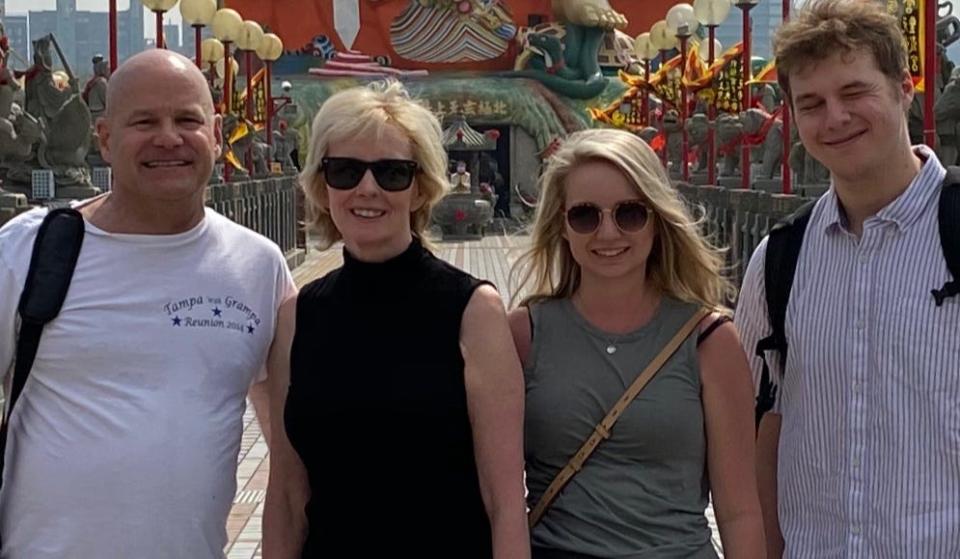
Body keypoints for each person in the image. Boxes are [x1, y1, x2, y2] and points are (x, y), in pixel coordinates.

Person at [0, 50, 296, 557]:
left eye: (187, 119)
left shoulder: (258, 267)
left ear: (217, 132)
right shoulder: (29, 249)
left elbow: (294, 455)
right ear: (106, 139)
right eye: (144, 122)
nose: (168, 138)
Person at [262, 80, 529, 558]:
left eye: (391, 173)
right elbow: (286, 493)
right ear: (322, 187)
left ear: (421, 187)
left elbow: (504, 500)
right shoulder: (297, 316)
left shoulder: (472, 311)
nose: (368, 188)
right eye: (345, 171)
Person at [735, 1, 960, 557]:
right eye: (811, 103)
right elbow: (757, 423)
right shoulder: (778, 262)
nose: (834, 118)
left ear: (905, 88)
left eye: (855, 93)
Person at [509, 128, 764, 558]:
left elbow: (739, 511)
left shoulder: (709, 340)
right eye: (585, 216)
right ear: (562, 226)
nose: (608, 233)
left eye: (629, 213)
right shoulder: (524, 334)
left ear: (658, 219)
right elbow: (499, 499)